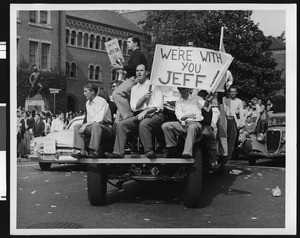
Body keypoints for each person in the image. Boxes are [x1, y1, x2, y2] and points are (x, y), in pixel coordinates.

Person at [105, 64, 164, 159]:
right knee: (121, 124)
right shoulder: (134, 88)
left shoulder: (154, 86)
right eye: (137, 71)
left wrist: (145, 112)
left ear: (147, 73)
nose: (139, 72)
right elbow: (134, 107)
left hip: (154, 114)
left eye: (141, 70)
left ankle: (148, 151)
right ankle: (118, 153)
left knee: (144, 124)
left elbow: (158, 106)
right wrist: (143, 98)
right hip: (140, 114)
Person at [161, 87, 206, 159]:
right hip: (183, 124)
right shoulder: (178, 102)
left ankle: (187, 152)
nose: (182, 91)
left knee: (192, 127)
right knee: (165, 126)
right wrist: (187, 116)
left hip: (195, 123)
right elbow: (179, 116)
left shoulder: (196, 98)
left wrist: (208, 102)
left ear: (188, 89)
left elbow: (205, 106)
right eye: (180, 89)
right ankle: (171, 147)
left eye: (183, 89)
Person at [71, 83, 113, 159]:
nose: (84, 94)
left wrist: (85, 125)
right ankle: (81, 151)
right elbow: (90, 120)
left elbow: (99, 119)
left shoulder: (102, 101)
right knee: (77, 126)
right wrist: (84, 126)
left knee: (95, 125)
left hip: (106, 127)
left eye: (85, 91)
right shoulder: (87, 103)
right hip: (93, 127)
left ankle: (94, 151)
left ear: (92, 92)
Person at [111, 37, 147, 121]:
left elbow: (134, 67)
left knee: (117, 94)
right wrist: (123, 72)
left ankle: (128, 116)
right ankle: (123, 119)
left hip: (133, 79)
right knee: (121, 103)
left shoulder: (137, 53)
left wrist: (121, 66)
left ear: (136, 43)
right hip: (131, 78)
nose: (127, 44)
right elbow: (133, 69)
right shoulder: (136, 54)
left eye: (129, 42)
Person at [198, 90, 219, 170]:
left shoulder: (207, 105)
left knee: (212, 142)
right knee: (212, 144)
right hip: (203, 127)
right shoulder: (202, 104)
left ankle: (213, 162)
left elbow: (205, 107)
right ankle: (213, 161)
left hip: (205, 127)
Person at [223, 86, 244, 161]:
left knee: (232, 139)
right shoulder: (226, 100)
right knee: (224, 138)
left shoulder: (239, 101)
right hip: (226, 120)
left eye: (234, 91)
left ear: (236, 92)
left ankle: (228, 156)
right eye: (231, 91)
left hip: (233, 121)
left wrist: (242, 123)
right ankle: (224, 155)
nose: (232, 93)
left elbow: (241, 113)